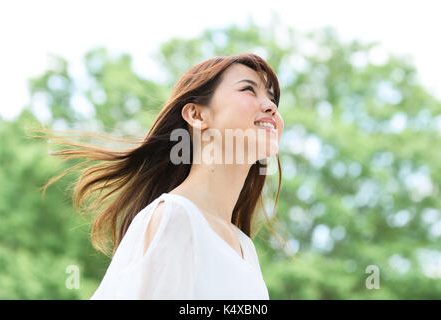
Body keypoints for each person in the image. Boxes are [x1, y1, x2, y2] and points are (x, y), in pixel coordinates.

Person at [34, 52, 284, 299]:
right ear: (196, 115)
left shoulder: (245, 248)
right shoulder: (177, 217)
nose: (271, 106)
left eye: (272, 98)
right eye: (249, 90)